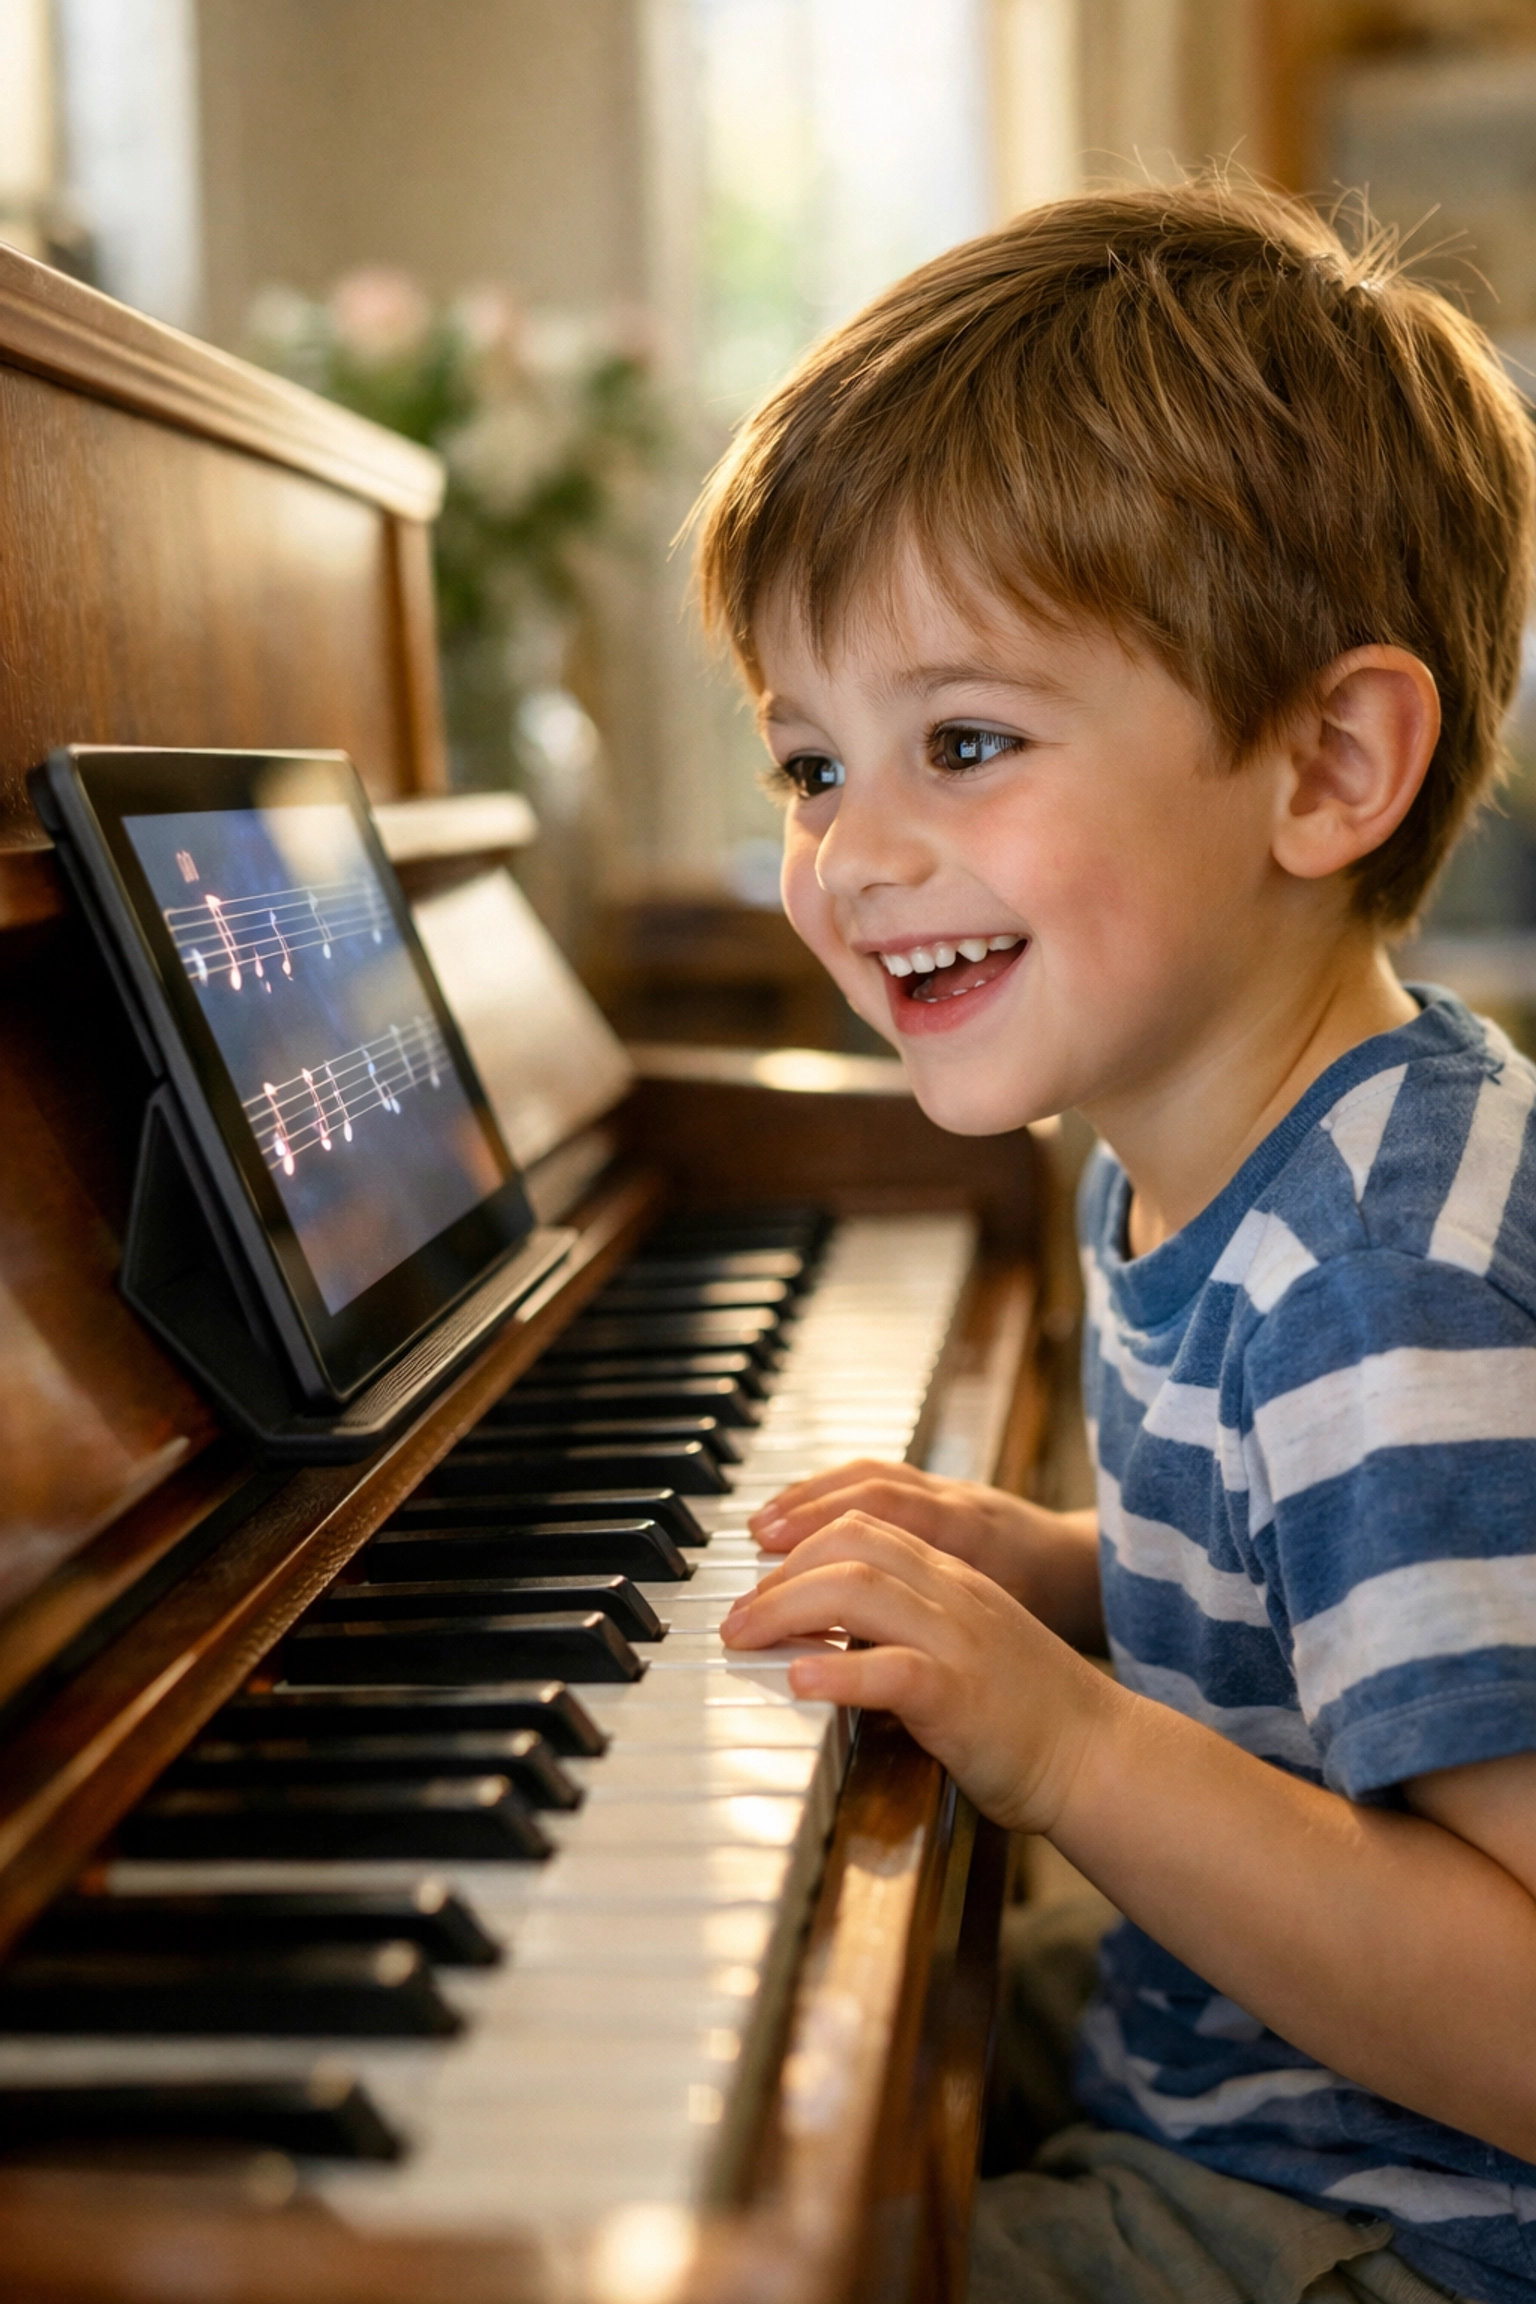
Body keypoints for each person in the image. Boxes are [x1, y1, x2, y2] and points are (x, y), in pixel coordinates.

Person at [696, 178, 1536, 2304]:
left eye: (962, 744)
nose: (854, 855)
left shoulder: (1377, 1289)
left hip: (1403, 2220)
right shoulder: (1198, 1135)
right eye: (811, 761)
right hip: (1255, 2073)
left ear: (1328, 762)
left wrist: (1063, 1738)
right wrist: (1053, 1570)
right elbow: (1315, 1616)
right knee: (772, 2056)